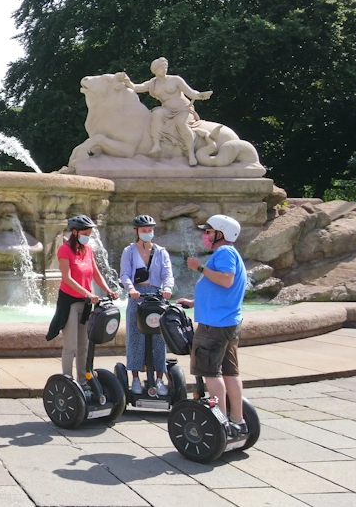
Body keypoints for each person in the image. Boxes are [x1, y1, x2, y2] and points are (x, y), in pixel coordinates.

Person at [178, 214, 248, 437]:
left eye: (208, 231)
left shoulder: (225, 252)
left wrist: (199, 268)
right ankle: (237, 420)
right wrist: (194, 302)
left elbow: (226, 280)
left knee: (211, 373)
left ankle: (220, 424)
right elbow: (220, 290)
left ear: (221, 233)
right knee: (230, 373)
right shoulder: (230, 253)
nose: (205, 235)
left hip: (214, 326)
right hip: (227, 322)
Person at [46, 215, 119, 383]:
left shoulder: (88, 250)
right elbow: (67, 278)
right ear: (75, 232)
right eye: (85, 233)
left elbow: (95, 273)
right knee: (71, 346)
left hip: (86, 304)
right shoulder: (64, 250)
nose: (88, 236)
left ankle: (83, 381)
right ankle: (67, 380)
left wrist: (108, 290)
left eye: (90, 233)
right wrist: (88, 293)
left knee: (83, 346)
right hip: (70, 303)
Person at [120, 57, 212, 165]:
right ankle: (156, 145)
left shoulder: (175, 80)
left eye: (166, 67)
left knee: (181, 124)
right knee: (156, 114)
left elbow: (191, 92)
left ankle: (191, 154)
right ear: (155, 70)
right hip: (167, 110)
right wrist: (127, 81)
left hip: (183, 109)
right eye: (162, 67)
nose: (164, 69)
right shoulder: (152, 83)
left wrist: (200, 96)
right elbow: (136, 87)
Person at [120, 214, 175, 395]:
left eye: (150, 230)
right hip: (137, 296)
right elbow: (125, 274)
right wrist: (130, 289)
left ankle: (159, 379)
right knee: (135, 337)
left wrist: (167, 288)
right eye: (144, 230)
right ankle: (135, 378)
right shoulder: (129, 251)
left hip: (158, 296)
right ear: (137, 231)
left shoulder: (161, 252)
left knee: (160, 338)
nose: (148, 233)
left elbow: (168, 274)